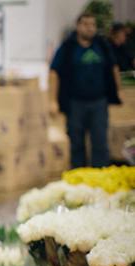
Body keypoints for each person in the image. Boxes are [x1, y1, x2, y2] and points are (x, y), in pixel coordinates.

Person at [50, 13, 122, 168]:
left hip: (99, 102)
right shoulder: (67, 47)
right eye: (86, 24)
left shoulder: (102, 45)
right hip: (75, 103)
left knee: (100, 142)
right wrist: (53, 100)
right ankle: (78, 177)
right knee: (76, 143)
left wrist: (117, 90)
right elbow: (54, 72)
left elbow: (113, 67)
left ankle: (101, 177)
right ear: (78, 26)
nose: (90, 28)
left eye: (93, 25)